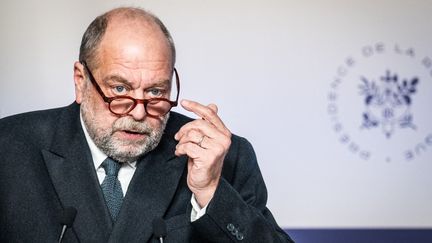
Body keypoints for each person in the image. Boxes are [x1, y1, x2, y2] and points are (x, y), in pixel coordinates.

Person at [0, 7, 293, 243]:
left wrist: (212, 194)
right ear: (81, 81)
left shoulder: (227, 158)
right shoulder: (9, 147)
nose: (139, 113)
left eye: (155, 92)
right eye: (119, 89)